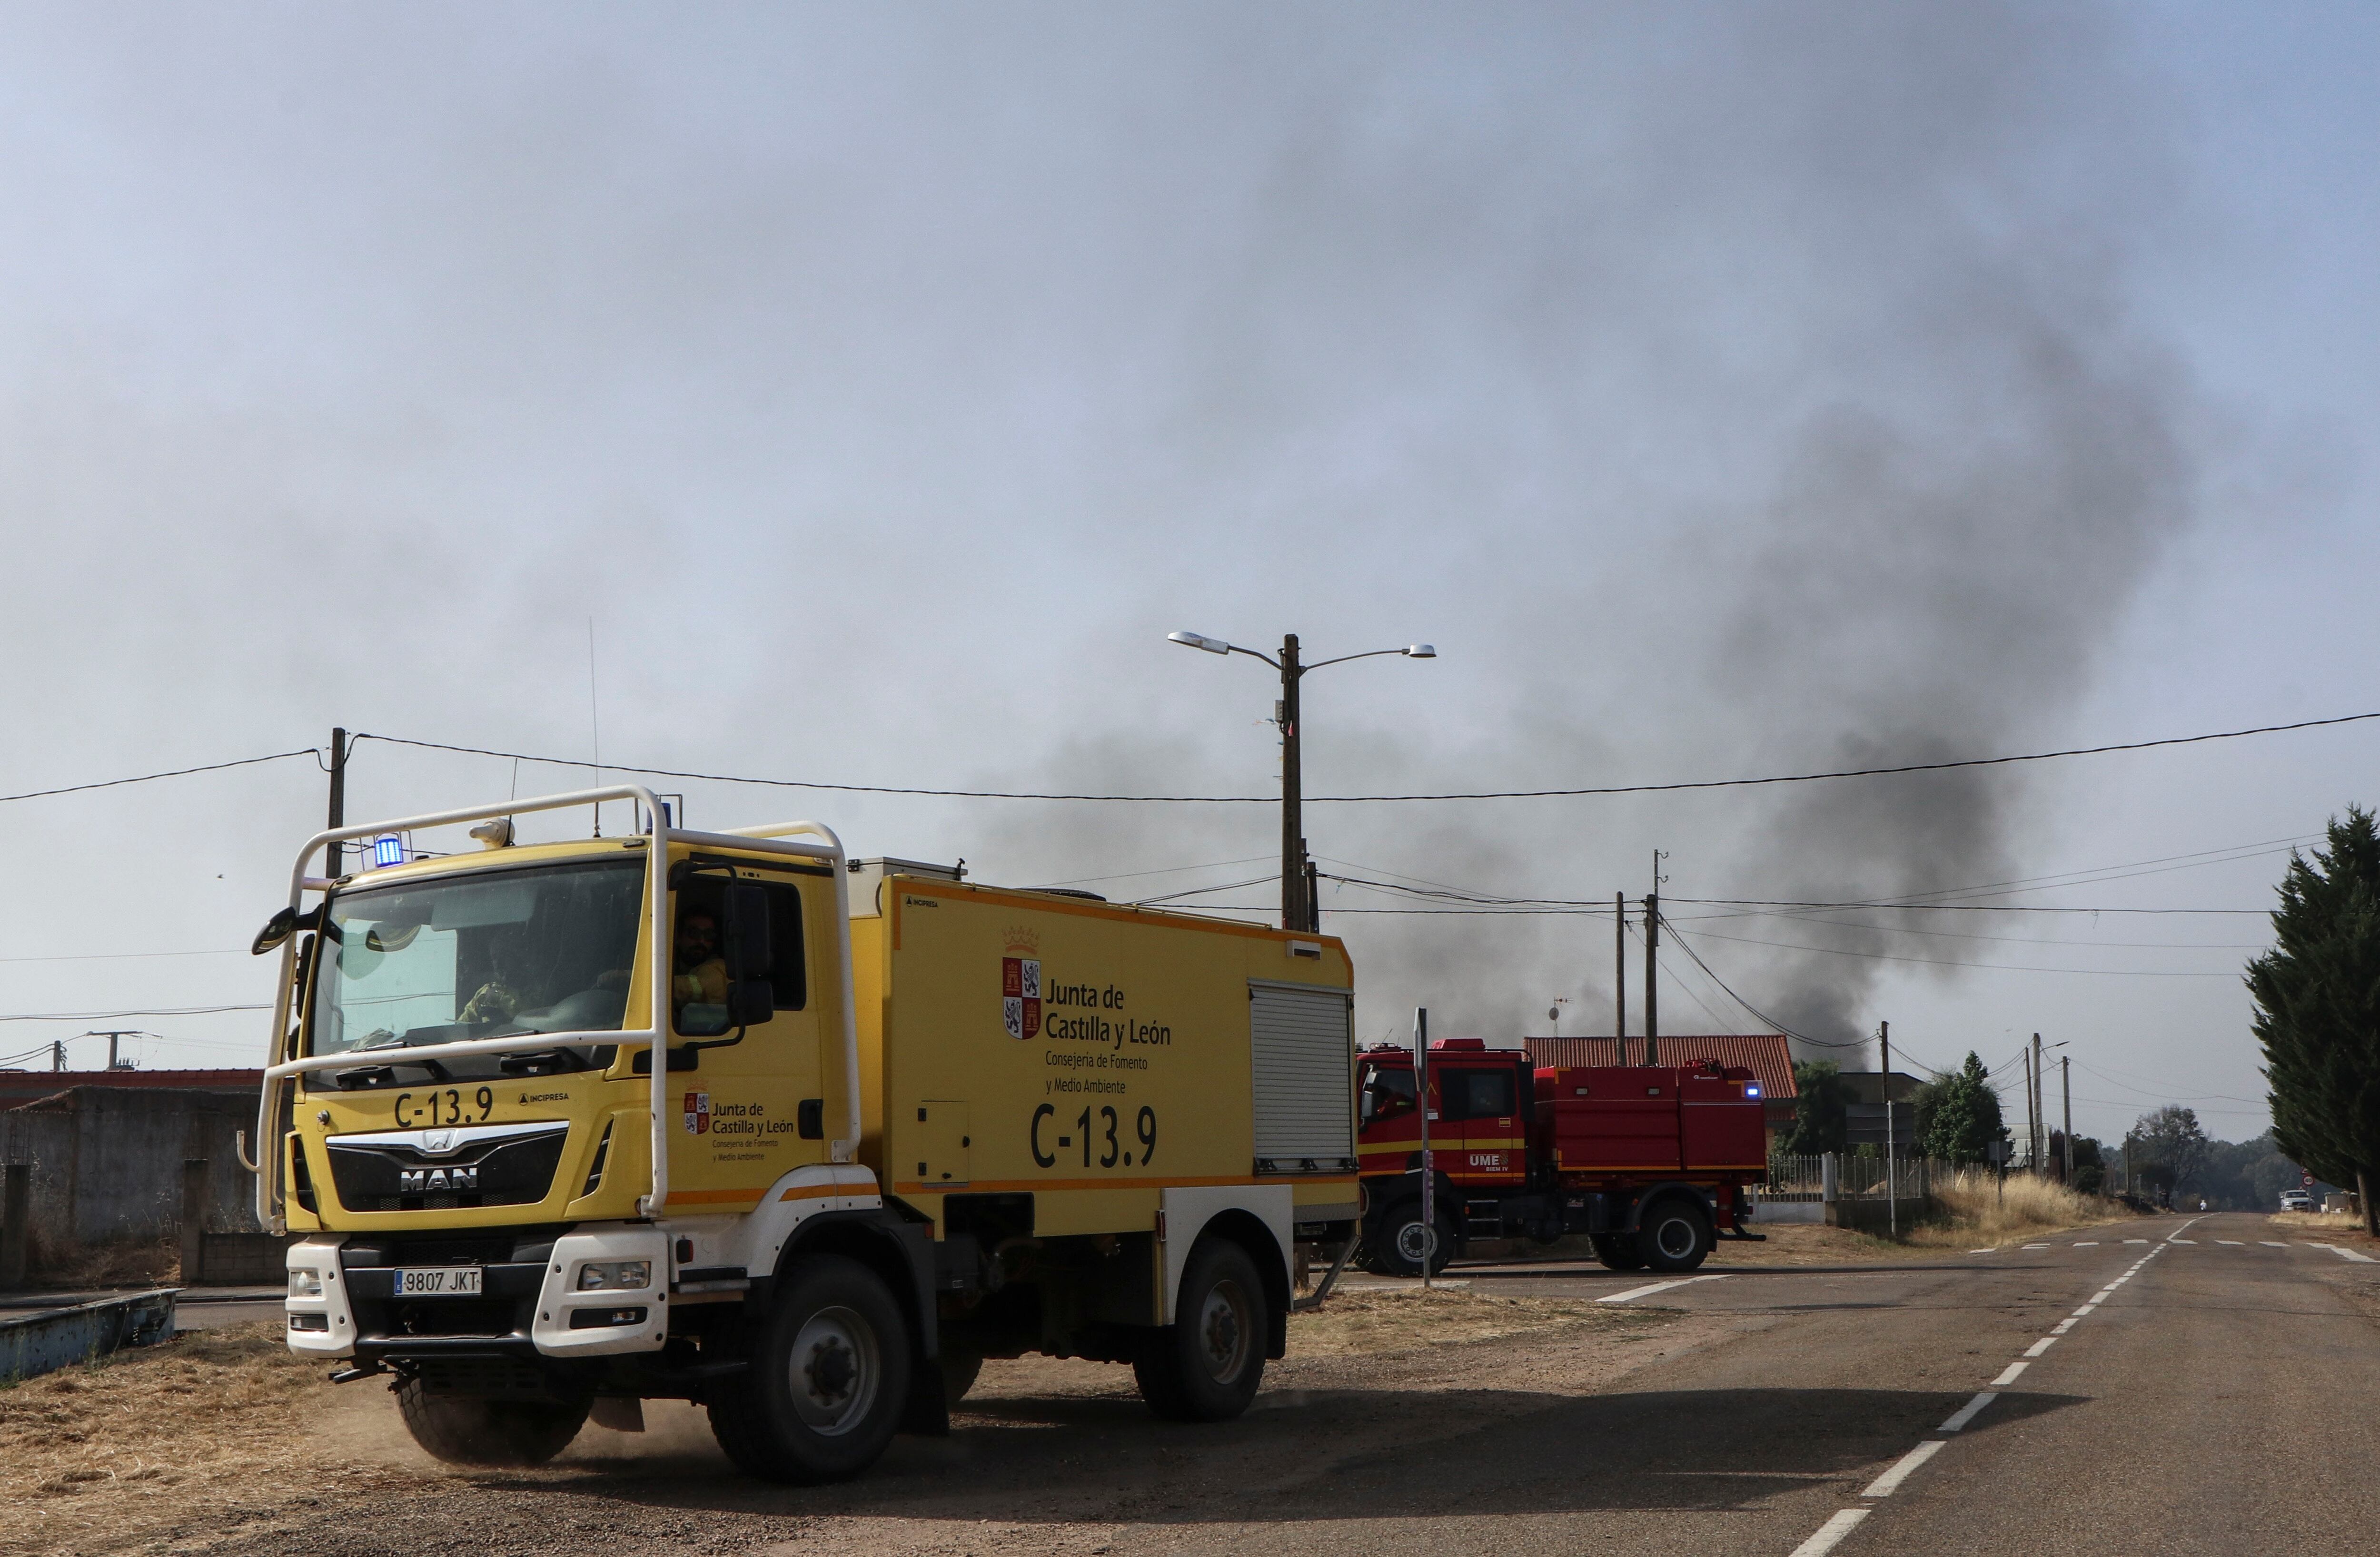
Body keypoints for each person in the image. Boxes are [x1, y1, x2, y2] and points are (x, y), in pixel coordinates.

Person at [673, 907, 728, 1015]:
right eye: (694, 933)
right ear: (677, 937)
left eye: (709, 935)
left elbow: (699, 987)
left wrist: (651, 986)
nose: (701, 941)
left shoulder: (720, 969)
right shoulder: (666, 964)